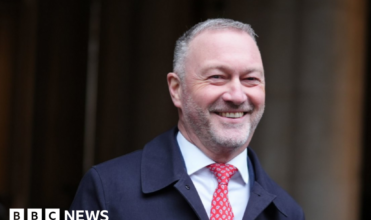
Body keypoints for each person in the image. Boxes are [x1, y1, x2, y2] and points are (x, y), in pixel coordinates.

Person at [70, 18, 305, 220]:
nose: (237, 95)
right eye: (217, 77)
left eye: (250, 79)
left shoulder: (287, 212)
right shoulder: (108, 190)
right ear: (176, 89)